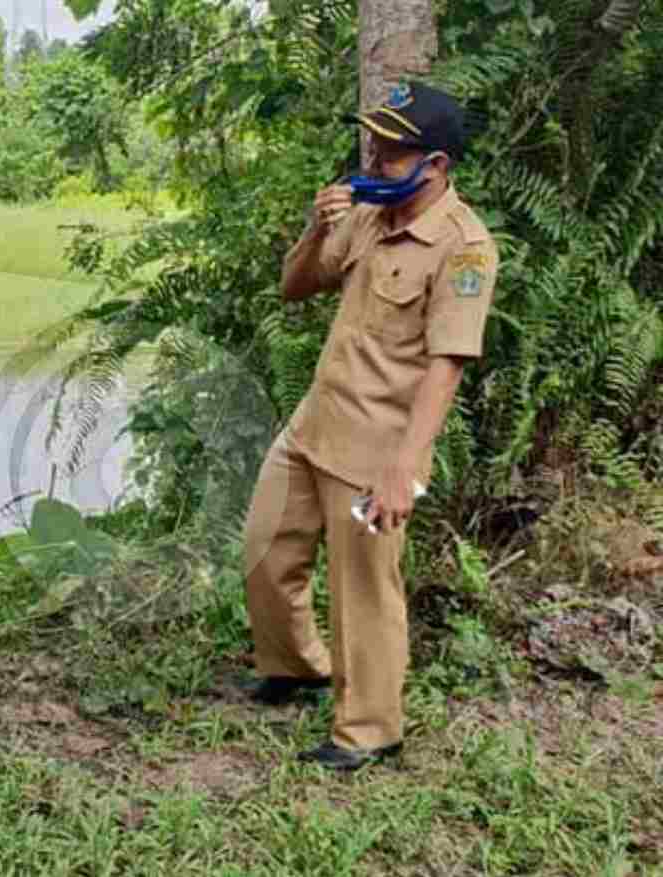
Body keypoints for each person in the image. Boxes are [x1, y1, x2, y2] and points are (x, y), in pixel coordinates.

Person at [242, 81, 498, 770]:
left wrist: (404, 470)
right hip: (314, 423)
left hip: (377, 448)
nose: (375, 160)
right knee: (265, 549)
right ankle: (297, 666)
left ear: (436, 165)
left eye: (392, 152)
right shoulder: (365, 214)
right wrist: (315, 227)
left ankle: (370, 730)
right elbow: (294, 287)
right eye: (375, 145)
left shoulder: (465, 248)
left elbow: (446, 365)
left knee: (363, 593)